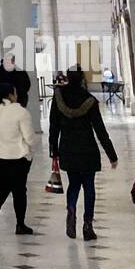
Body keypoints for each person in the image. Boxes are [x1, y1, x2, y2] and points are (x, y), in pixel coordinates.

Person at [48, 66, 118, 240]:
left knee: (73, 184)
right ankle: (88, 224)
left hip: (67, 148)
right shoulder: (89, 101)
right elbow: (100, 130)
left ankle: (71, 211)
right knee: (89, 186)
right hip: (87, 148)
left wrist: (54, 151)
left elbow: (53, 127)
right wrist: (112, 155)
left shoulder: (58, 98)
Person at [0, 82, 35, 235]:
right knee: (19, 191)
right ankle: (20, 225)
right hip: (18, 159)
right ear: (11, 95)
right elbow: (30, 139)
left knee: (1, 187)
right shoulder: (20, 112)